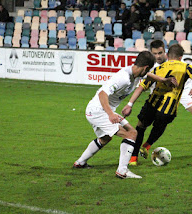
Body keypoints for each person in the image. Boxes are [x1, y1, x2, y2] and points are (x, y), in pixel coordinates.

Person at [73, 51, 176, 179]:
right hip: (99, 111)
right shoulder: (123, 78)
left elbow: (149, 76)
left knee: (106, 138)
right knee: (131, 134)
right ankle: (122, 171)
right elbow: (102, 94)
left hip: (99, 110)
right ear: (145, 67)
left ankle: (80, 163)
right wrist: (111, 114)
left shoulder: (135, 73)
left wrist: (164, 80)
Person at [123, 41, 192, 166]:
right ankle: (144, 147)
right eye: (155, 54)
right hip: (164, 99)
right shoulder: (156, 66)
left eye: (160, 53)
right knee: (158, 123)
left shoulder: (164, 67)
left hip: (177, 93)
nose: (158, 56)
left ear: (166, 53)